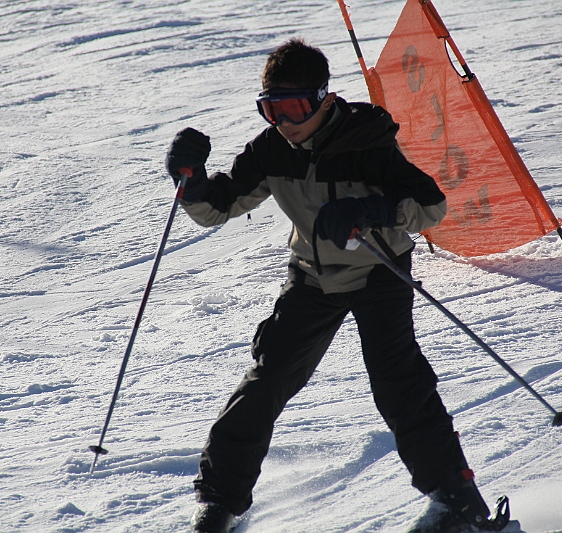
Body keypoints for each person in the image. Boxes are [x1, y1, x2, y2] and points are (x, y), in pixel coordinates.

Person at [165, 38, 508, 533]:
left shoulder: (366, 141)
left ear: (324, 100)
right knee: (265, 382)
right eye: (271, 110)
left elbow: (431, 206)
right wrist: (193, 182)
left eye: (295, 108)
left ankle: (458, 502)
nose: (284, 121)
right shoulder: (272, 149)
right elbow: (218, 208)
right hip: (312, 276)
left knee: (398, 382)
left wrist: (370, 210)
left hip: (378, 272)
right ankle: (219, 501)